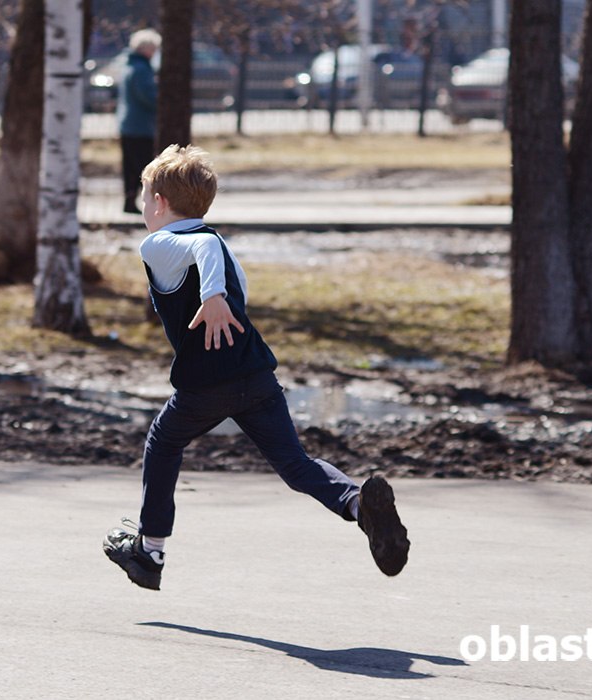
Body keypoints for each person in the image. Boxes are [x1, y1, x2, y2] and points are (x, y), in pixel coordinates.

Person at [103, 145, 411, 590]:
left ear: (161, 203)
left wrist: (211, 297)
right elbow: (224, 269)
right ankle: (360, 504)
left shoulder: (163, 243)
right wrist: (218, 295)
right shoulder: (220, 245)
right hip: (256, 377)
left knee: (163, 442)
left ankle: (149, 553)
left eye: (145, 197)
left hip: (207, 384)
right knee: (295, 465)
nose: (143, 207)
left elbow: (201, 246)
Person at [117, 29, 160, 215]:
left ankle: (129, 200)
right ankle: (146, 203)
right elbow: (148, 96)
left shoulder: (128, 65)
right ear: (146, 49)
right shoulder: (142, 69)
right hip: (140, 124)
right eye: (153, 49)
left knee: (130, 164)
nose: (155, 53)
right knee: (143, 165)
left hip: (128, 123)